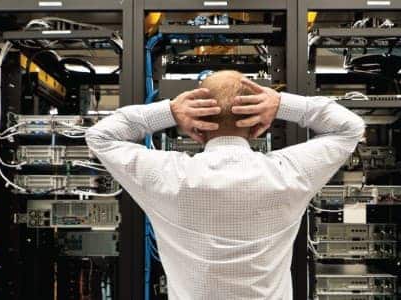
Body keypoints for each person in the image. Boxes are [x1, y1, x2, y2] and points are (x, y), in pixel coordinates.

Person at [85, 70, 365, 299]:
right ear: (258, 127)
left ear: (195, 128)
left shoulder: (168, 176)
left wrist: (170, 111)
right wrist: (281, 104)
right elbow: (349, 127)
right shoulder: (288, 173)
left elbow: (100, 136)